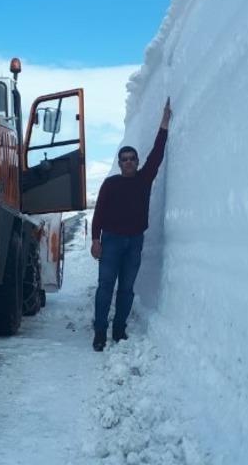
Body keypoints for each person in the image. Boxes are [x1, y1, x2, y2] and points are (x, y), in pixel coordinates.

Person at [90, 98, 172, 351]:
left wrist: (164, 123)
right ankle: (100, 331)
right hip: (112, 241)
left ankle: (119, 330)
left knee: (126, 289)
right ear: (119, 162)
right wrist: (95, 240)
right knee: (105, 288)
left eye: (132, 158)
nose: (128, 162)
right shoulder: (110, 184)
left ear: (137, 162)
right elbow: (99, 213)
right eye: (124, 159)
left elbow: (157, 154)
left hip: (135, 241)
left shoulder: (144, 179)